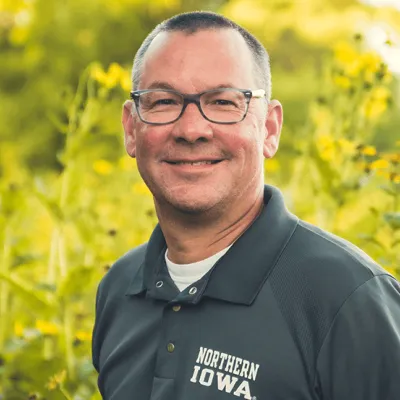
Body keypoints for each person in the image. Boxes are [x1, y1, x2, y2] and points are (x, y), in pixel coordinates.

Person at [91, 11, 400, 400]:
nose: (191, 130)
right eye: (163, 101)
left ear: (269, 129)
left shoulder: (347, 300)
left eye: (222, 102)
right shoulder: (119, 289)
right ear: (131, 128)